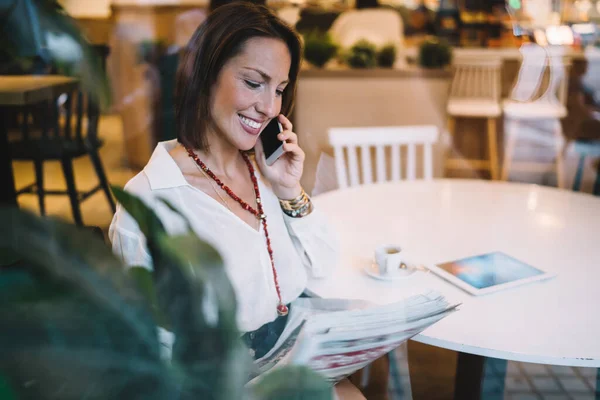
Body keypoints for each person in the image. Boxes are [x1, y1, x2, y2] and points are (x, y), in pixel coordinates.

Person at [109, 3, 364, 398]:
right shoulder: (148, 206)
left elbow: (323, 265)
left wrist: (289, 192)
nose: (269, 107)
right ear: (205, 74)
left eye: (279, 89)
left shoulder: (266, 172)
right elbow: (149, 362)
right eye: (253, 82)